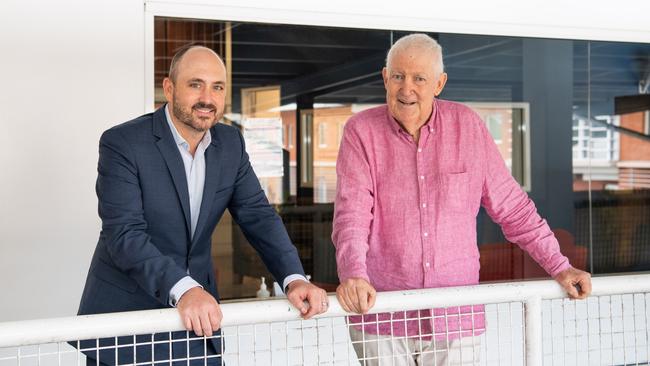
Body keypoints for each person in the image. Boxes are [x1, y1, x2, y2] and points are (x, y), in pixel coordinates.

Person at [332, 33, 592, 365]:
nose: (406, 88)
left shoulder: (468, 127)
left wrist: (560, 267)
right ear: (385, 77)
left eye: (419, 79)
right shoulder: (360, 131)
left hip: (454, 317)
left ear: (439, 84)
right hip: (382, 314)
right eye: (397, 76)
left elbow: (513, 209)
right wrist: (353, 273)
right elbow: (351, 215)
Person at [77, 45, 328, 365]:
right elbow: (124, 235)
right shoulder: (123, 143)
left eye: (217, 87)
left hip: (198, 325)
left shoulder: (230, 144)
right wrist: (184, 289)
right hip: (126, 326)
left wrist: (294, 277)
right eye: (195, 84)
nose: (207, 98)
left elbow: (258, 215)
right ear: (169, 88)